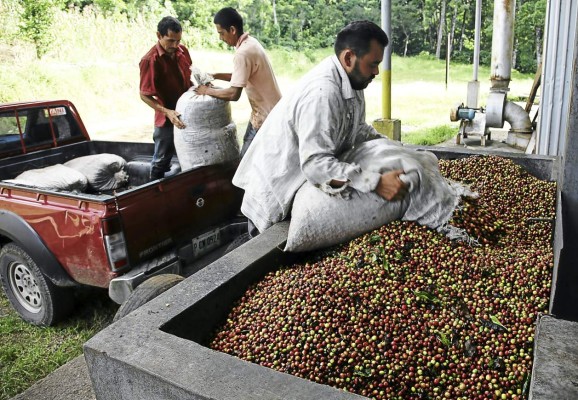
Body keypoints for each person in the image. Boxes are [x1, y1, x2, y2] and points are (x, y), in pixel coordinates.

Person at [232, 20, 408, 234]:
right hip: (276, 189)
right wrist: (375, 183)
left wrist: (396, 150)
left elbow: (358, 129)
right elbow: (316, 164)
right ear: (349, 58)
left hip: (297, 185)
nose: (377, 72)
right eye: (373, 64)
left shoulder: (353, 81)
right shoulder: (323, 94)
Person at [194, 7, 281, 158]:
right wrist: (215, 75)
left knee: (246, 164)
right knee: (256, 161)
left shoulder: (243, 53)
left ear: (232, 30)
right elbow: (242, 76)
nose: (221, 38)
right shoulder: (251, 43)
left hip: (266, 118)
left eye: (221, 33)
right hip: (269, 113)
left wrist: (206, 91)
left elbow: (234, 94)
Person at [139, 16, 192, 180]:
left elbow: (190, 75)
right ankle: (154, 191)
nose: (175, 46)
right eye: (170, 41)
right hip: (166, 118)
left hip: (188, 112)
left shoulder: (182, 51)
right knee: (162, 159)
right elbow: (144, 95)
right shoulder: (150, 60)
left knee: (191, 154)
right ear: (158, 35)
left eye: (178, 41)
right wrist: (167, 111)